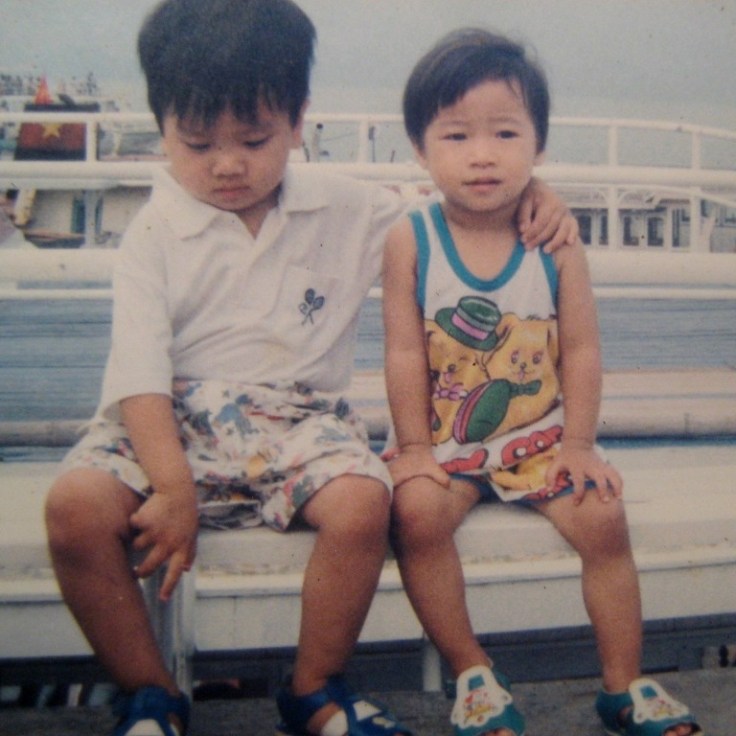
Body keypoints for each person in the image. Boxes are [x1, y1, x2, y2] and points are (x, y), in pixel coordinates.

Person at [44, 3, 576, 735]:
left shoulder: (349, 209)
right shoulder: (153, 232)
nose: (227, 164)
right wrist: (171, 486)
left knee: (363, 501)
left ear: (298, 122)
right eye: (197, 143)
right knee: (75, 508)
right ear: (161, 127)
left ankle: (314, 685)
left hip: (298, 420)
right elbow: (138, 374)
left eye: (254, 140)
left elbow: (457, 207)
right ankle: (150, 691)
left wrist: (534, 195)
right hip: (167, 423)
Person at [382, 28, 702, 736]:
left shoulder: (554, 241)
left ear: (540, 145)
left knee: (603, 519)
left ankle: (624, 684)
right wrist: (414, 448)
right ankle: (473, 671)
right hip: (447, 440)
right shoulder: (412, 237)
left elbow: (581, 348)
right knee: (416, 515)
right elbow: (404, 352)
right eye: (456, 135)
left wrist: (579, 444)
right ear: (420, 149)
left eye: (505, 133)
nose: (483, 154)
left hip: (540, 440)